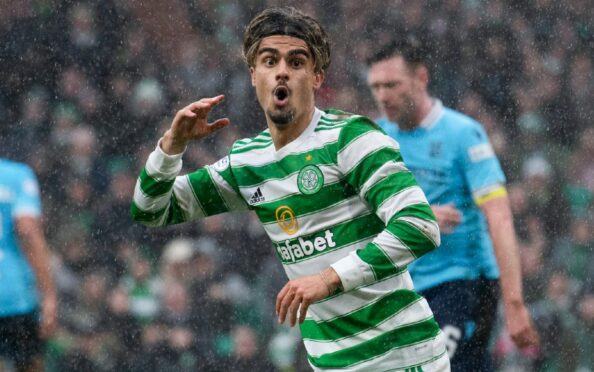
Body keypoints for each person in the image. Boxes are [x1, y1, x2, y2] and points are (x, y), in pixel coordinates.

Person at [131, 7, 450, 371]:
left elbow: (419, 227)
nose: (282, 70)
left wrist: (328, 279)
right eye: (269, 61)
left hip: (402, 359)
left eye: (296, 62)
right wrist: (171, 146)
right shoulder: (247, 162)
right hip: (330, 365)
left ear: (316, 77)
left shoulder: (351, 138)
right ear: (254, 75)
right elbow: (151, 209)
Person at [366, 36, 540, 371]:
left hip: (465, 283)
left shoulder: (463, 134)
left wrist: (515, 303)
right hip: (406, 286)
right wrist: (417, 216)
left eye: (392, 84)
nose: (382, 95)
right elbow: (359, 214)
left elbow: (500, 218)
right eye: (376, 86)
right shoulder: (376, 139)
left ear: (421, 79)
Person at [0, 158, 57, 372]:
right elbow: (27, 231)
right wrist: (49, 295)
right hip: (13, 296)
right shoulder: (16, 176)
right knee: (29, 365)